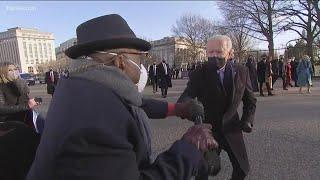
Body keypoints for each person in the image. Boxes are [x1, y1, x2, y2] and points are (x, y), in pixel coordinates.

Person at [27, 14, 218, 180]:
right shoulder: (97, 122)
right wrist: (188, 148)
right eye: (139, 56)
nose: (142, 62)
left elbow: (135, 103)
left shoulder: (81, 85)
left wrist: (177, 109)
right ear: (120, 61)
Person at [178, 35, 257, 180]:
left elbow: (250, 101)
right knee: (202, 172)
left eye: (219, 52)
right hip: (208, 130)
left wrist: (247, 120)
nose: (214, 56)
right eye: (210, 52)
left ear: (230, 53)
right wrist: (188, 106)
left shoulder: (242, 72)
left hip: (232, 128)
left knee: (242, 169)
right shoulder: (199, 73)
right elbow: (186, 96)